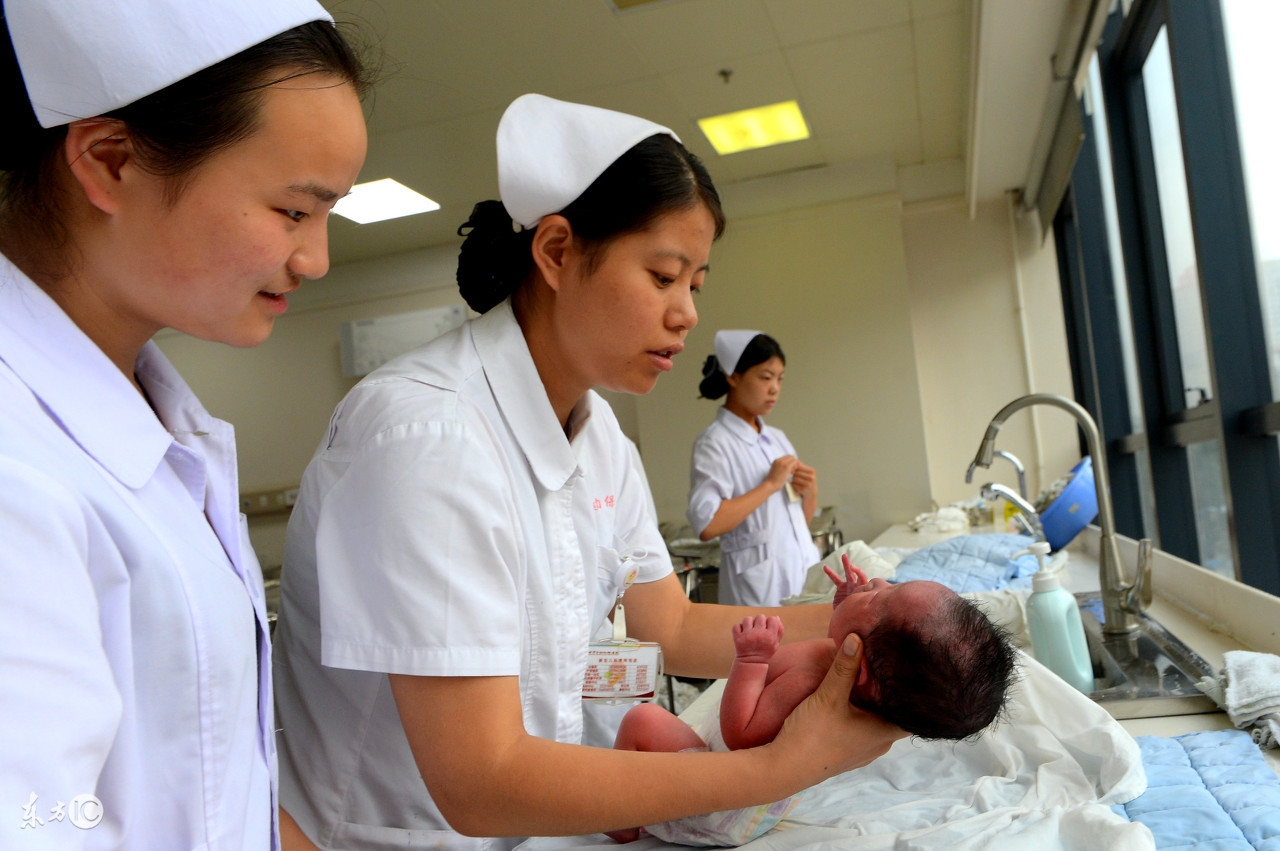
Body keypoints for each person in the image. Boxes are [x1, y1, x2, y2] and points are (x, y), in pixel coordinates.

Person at [271, 93, 905, 850]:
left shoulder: (599, 434)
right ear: (558, 251)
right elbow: (481, 779)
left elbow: (667, 624)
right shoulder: (426, 437)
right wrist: (781, 765)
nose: (686, 315)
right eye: (664, 276)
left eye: (695, 286)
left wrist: (868, 627)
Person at [0, 2, 369, 848]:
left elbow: (211, 784)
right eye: (292, 211)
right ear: (110, 162)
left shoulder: (162, 423)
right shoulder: (15, 464)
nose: (315, 258)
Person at [606, 555, 1017, 843]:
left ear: (864, 667)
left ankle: (621, 821)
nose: (877, 582)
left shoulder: (807, 685)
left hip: (721, 806)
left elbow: (740, 734)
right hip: (738, 794)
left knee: (643, 720)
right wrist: (847, 607)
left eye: (878, 599)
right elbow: (835, 643)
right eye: (889, 586)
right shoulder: (839, 668)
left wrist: (750, 660)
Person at [689, 331, 822, 606]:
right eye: (765, 377)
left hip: (801, 575)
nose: (774, 388)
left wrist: (810, 493)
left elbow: (796, 525)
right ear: (733, 377)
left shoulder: (777, 439)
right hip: (757, 594)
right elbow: (707, 523)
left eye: (779, 379)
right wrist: (770, 485)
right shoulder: (714, 442)